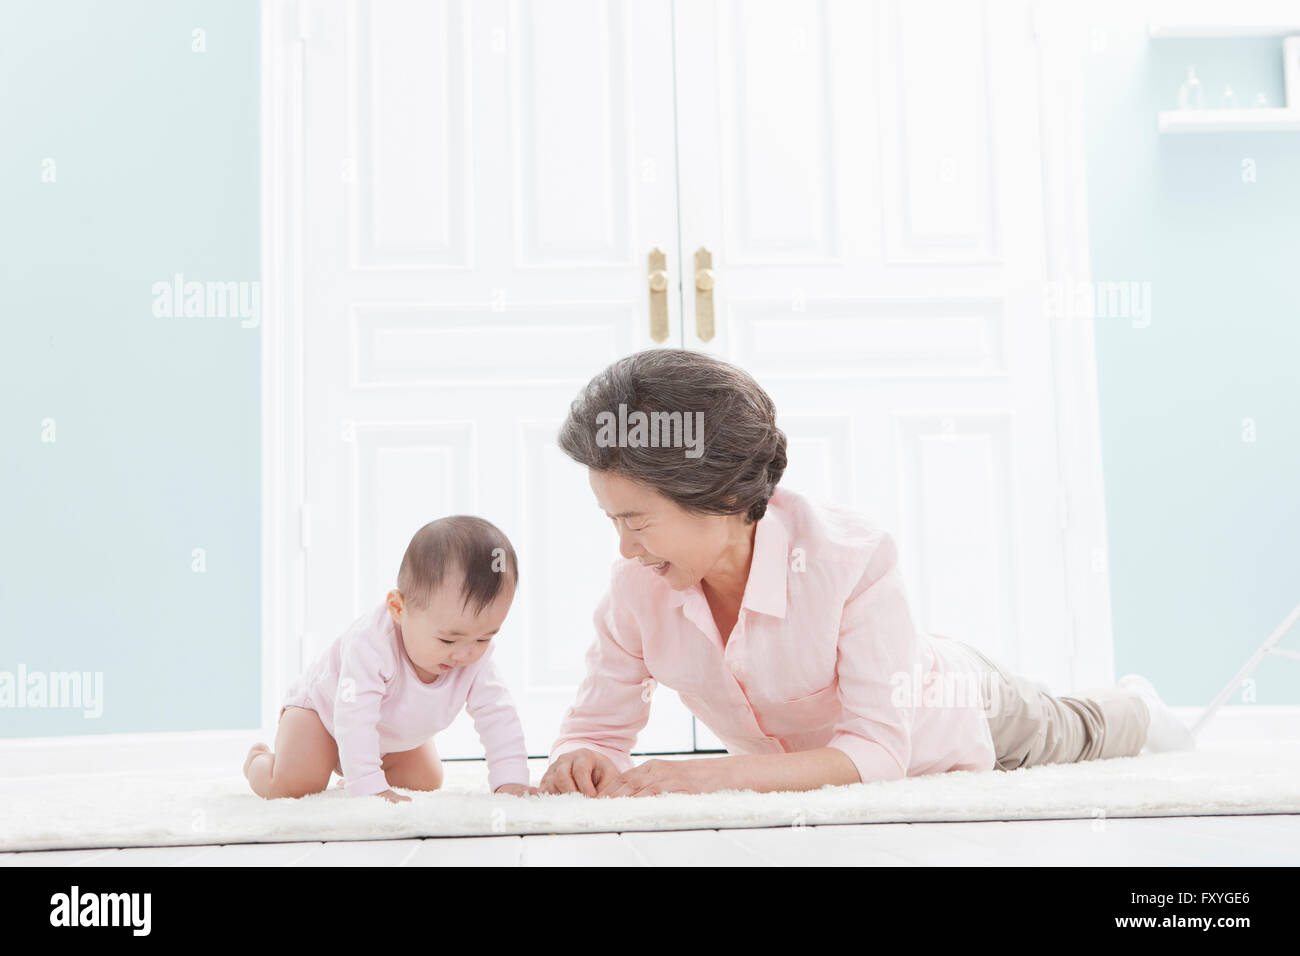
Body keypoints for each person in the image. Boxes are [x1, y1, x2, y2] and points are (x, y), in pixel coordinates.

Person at [539, 349, 1194, 798]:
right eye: (612, 521)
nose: (625, 549)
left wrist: (711, 777)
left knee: (1072, 730)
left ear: (727, 497)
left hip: (951, 706)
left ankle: (1140, 705)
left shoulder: (847, 558)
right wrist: (582, 761)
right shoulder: (637, 591)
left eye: (638, 521)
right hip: (878, 687)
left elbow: (879, 756)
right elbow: (596, 730)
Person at [244, 516, 539, 801]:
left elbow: (498, 716)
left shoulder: (476, 658)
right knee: (297, 784)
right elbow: (355, 717)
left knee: (424, 781)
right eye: (448, 639)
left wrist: (511, 780)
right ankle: (259, 763)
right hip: (322, 717)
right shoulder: (370, 645)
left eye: (484, 637)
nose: (465, 653)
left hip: (388, 738)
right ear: (398, 608)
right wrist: (369, 787)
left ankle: (359, 769)